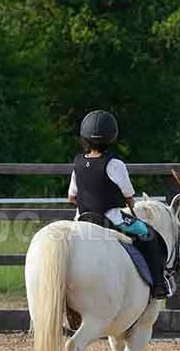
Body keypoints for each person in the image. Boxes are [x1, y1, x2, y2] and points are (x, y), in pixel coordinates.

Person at [68, 110, 169, 298]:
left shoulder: (78, 163)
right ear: (111, 137)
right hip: (111, 218)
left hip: (81, 220)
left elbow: (71, 197)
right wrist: (132, 210)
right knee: (148, 235)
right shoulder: (114, 164)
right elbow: (128, 195)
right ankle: (158, 285)